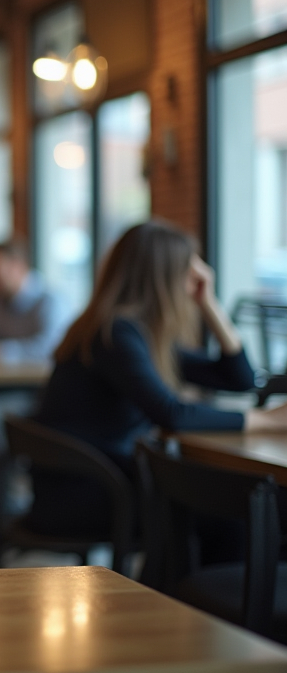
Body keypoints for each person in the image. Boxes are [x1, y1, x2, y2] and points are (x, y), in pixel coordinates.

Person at [30, 220, 287, 539]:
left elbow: (240, 379)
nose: (194, 281)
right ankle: (179, 588)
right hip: (84, 495)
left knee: (233, 508)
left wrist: (209, 304)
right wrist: (265, 421)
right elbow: (172, 414)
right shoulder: (116, 334)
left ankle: (174, 586)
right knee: (240, 515)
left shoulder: (131, 331)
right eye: (188, 272)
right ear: (163, 278)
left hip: (94, 481)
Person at [0, 240, 71, 363]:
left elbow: (51, 348)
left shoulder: (51, 301)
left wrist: (0, 351)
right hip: (6, 379)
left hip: (40, 381)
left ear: (18, 266)